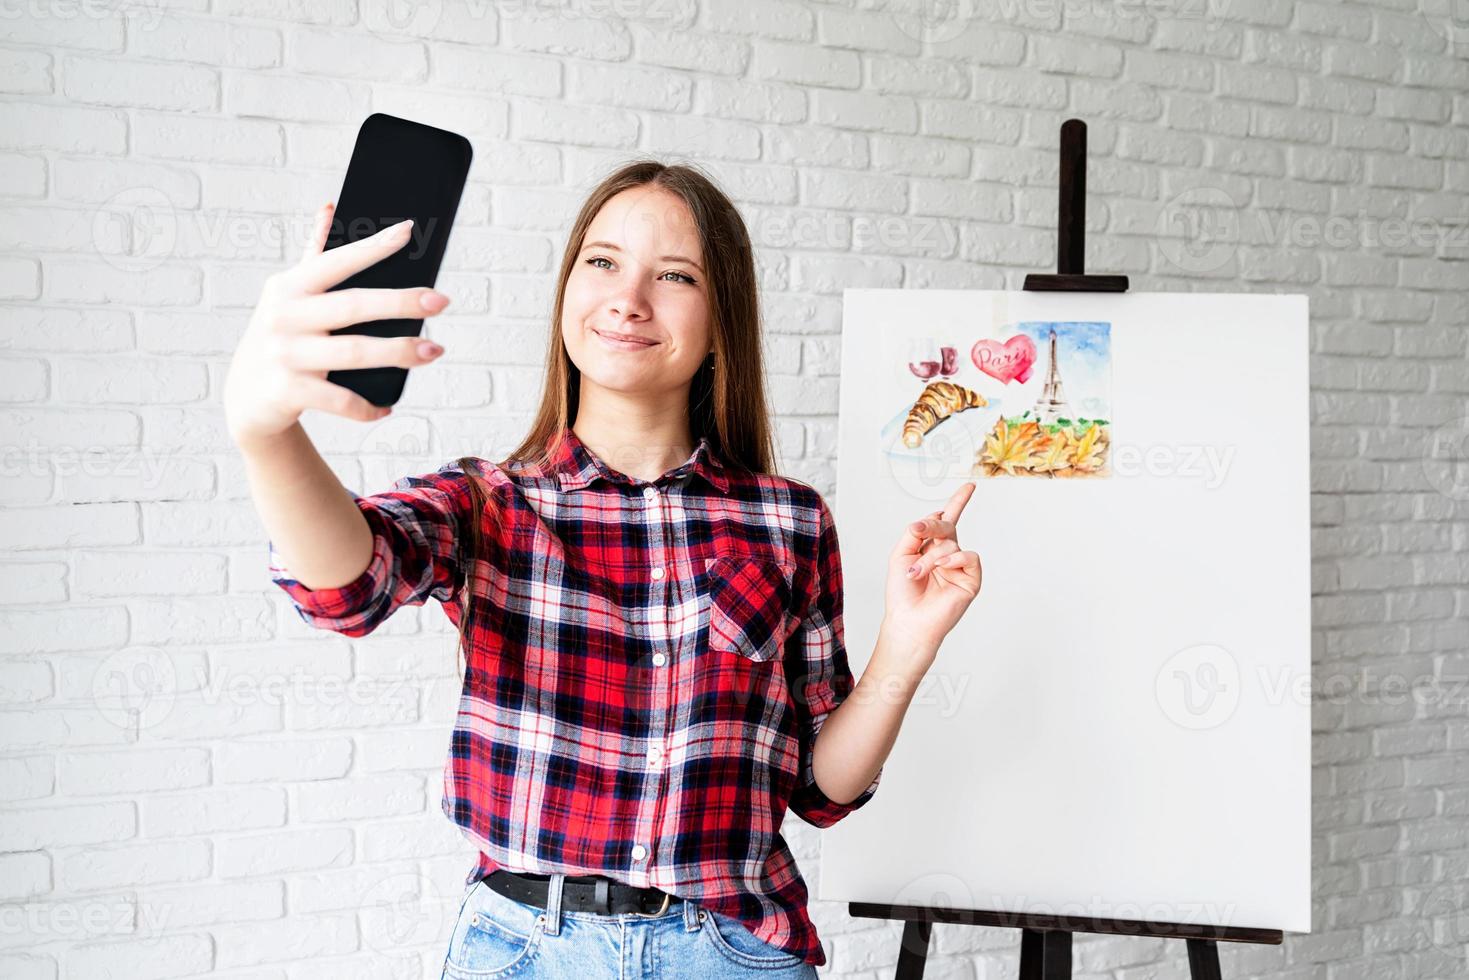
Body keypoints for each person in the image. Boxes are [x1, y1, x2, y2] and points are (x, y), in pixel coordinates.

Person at [224, 160, 982, 979]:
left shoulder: (787, 520)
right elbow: (347, 587)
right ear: (565, 296)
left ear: (722, 317)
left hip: (729, 951)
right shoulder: (489, 502)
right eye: (602, 262)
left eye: (676, 275)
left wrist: (906, 645)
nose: (629, 298)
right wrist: (266, 432)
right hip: (523, 951)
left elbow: (822, 791)